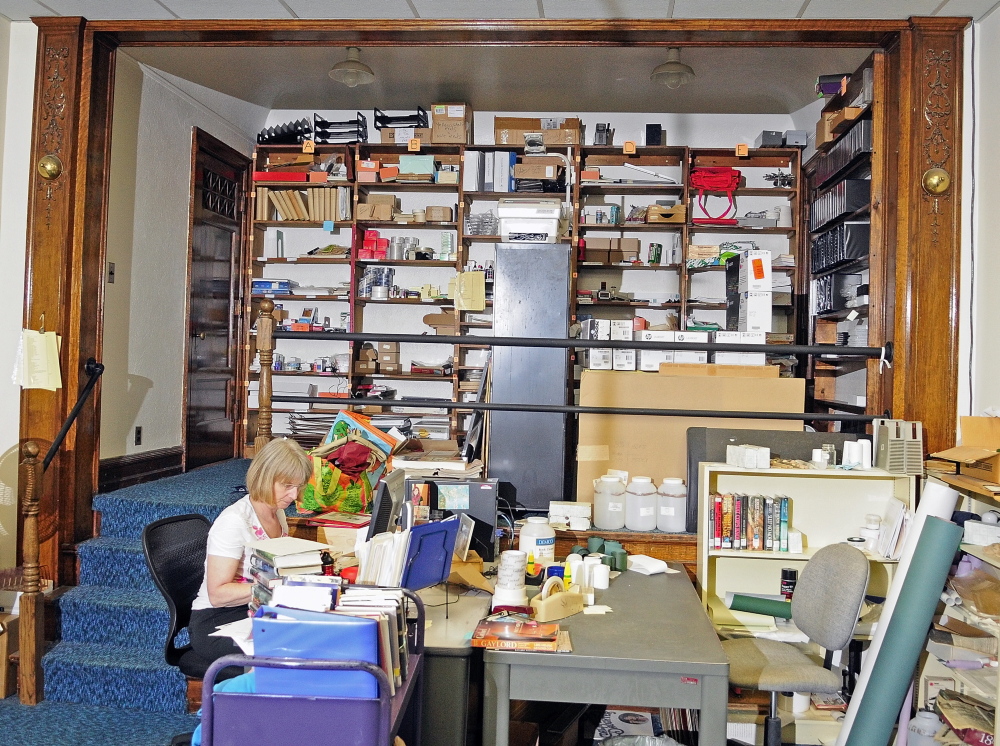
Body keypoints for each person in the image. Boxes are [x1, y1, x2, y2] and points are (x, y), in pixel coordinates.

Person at [188, 437, 312, 666]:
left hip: (253, 609)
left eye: (298, 487)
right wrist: (278, 587)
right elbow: (218, 595)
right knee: (293, 654)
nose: (294, 496)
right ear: (265, 478)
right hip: (218, 621)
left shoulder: (277, 512)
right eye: (287, 486)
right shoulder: (234, 521)